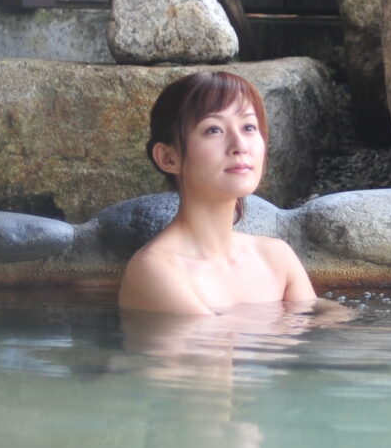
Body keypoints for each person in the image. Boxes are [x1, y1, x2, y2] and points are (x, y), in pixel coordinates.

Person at [118, 71, 318, 315]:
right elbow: (213, 341)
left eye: (248, 127)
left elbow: (323, 329)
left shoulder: (277, 257)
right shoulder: (156, 269)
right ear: (168, 158)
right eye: (214, 130)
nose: (240, 146)